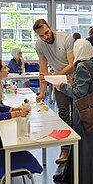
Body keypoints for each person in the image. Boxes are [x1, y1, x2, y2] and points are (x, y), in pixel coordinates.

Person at [52, 39, 93, 184]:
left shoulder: (81, 66)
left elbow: (79, 92)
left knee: (83, 147)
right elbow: (89, 86)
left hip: (85, 113)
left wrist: (62, 87)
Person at [33, 19, 74, 165]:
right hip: (59, 82)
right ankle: (65, 150)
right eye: (41, 36)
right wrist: (42, 93)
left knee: (78, 115)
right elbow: (43, 71)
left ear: (50, 27)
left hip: (76, 81)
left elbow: (71, 65)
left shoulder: (66, 38)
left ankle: (79, 149)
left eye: (46, 33)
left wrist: (54, 76)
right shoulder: (40, 45)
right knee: (63, 114)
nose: (45, 38)